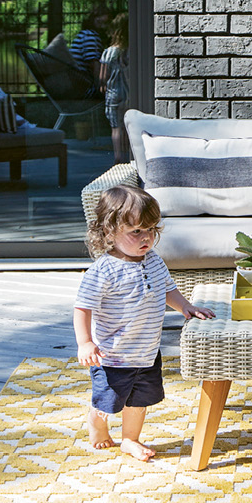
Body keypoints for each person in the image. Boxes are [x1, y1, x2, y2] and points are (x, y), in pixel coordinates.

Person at [73, 184, 215, 461]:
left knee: (139, 402)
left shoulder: (153, 260)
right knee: (108, 403)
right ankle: (96, 422)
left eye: (151, 230)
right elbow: (82, 307)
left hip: (147, 353)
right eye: (136, 231)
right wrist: (85, 342)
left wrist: (185, 306)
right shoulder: (103, 270)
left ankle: (130, 439)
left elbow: (166, 289)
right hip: (112, 356)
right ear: (109, 231)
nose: (146, 237)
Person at [99, 12, 130, 163]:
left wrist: (102, 85)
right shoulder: (132, 50)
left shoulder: (109, 52)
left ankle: (118, 158)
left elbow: (103, 76)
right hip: (129, 92)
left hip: (113, 93)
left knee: (116, 127)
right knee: (128, 126)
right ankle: (131, 156)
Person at [69, 6, 110, 86]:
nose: (103, 26)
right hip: (83, 85)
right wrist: (101, 86)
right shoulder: (90, 36)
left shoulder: (84, 34)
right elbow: (93, 64)